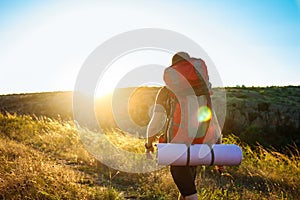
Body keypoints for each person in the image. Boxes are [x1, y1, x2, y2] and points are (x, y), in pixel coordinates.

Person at [145, 52, 223, 200]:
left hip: (176, 148)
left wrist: (148, 145)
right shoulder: (203, 91)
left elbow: (155, 123)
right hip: (198, 147)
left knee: (191, 195)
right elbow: (215, 123)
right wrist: (219, 154)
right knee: (185, 193)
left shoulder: (166, 91)